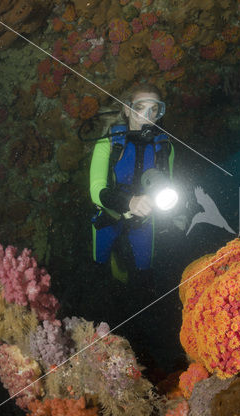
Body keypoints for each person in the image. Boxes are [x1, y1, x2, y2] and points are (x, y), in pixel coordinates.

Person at [89, 83, 178, 284]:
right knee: (97, 272)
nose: (147, 116)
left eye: (153, 109)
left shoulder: (165, 148)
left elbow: (167, 185)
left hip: (144, 221)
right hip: (109, 217)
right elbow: (95, 190)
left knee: (145, 277)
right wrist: (129, 202)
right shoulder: (108, 143)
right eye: (139, 108)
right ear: (127, 110)